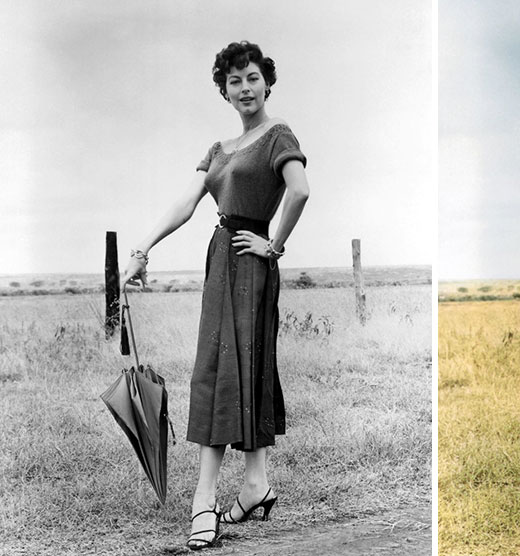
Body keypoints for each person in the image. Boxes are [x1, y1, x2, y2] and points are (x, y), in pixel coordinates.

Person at [121, 41, 310, 551]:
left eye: (252, 78)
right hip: (220, 259)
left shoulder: (278, 134)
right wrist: (141, 249)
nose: (245, 88)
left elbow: (300, 190)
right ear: (224, 91)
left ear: (266, 82)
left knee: (226, 374)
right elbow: (187, 202)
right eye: (234, 82)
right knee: (232, 370)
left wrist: (274, 245)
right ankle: (256, 485)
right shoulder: (220, 148)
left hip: (250, 261)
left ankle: (203, 501)